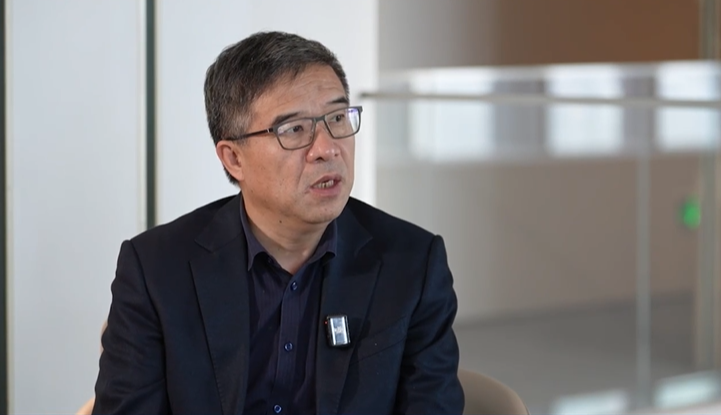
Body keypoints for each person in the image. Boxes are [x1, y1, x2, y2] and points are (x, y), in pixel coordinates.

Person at [93, 31, 464, 414]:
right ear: (234, 158)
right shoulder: (156, 270)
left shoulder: (413, 264)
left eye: (337, 118)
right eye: (294, 129)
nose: (327, 148)